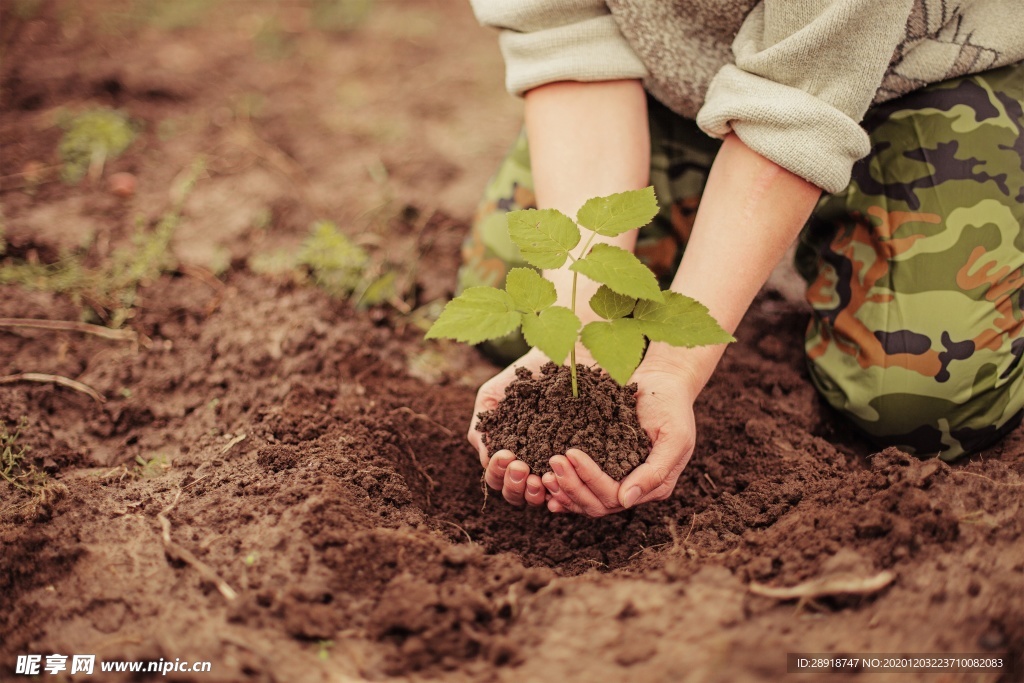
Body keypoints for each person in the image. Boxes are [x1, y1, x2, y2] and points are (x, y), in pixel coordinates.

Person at [458, 1, 1024, 517]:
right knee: (527, 322)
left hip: (924, 71)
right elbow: (565, 31)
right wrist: (579, 323)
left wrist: (678, 363)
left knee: (921, 400)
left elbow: (800, 101)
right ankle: (707, 158)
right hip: (668, 72)